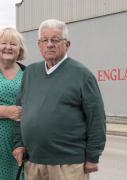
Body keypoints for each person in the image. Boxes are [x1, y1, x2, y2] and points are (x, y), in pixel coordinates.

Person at [13, 19, 106, 180]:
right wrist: (19, 144)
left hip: (68, 164)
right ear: (39, 45)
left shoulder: (82, 75)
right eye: (45, 40)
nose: (49, 44)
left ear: (67, 44)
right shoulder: (30, 73)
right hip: (34, 162)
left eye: (55, 40)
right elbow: (19, 112)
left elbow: (96, 118)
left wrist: (93, 156)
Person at [0, 27, 26, 180]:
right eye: (3, 43)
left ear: (20, 49)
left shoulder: (29, 73)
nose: (8, 47)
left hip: (21, 140)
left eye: (13, 44)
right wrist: (5, 111)